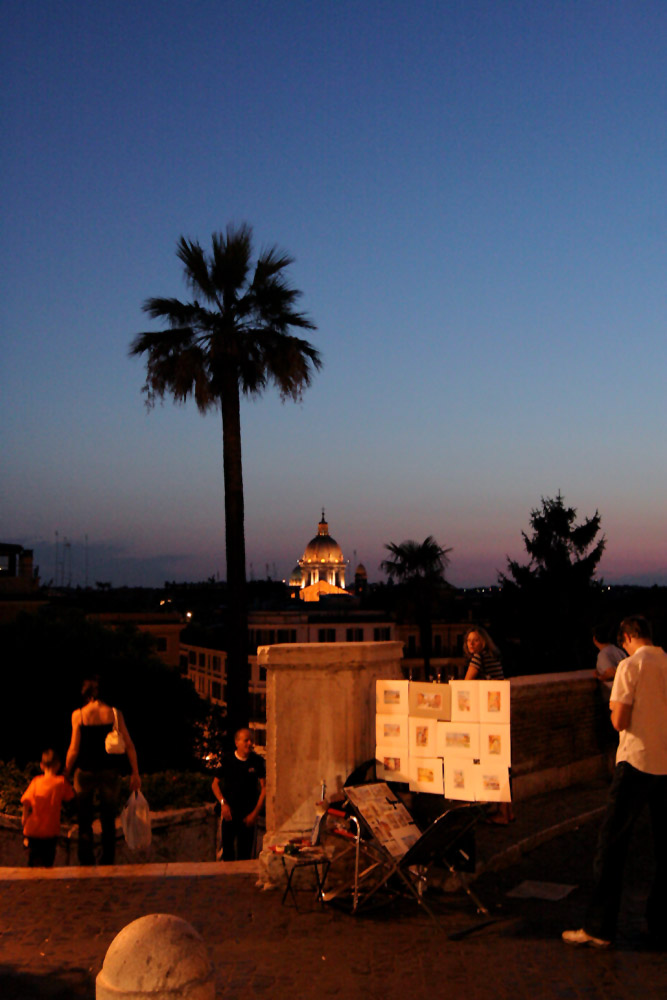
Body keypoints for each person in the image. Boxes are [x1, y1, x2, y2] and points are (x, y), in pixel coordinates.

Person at [563, 615, 667, 948]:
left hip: (637, 761)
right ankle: (661, 923)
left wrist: (612, 712)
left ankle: (599, 927)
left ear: (626, 638)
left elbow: (619, 721)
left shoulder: (630, 667)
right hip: (666, 763)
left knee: (611, 846)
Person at [65, 677, 141, 866]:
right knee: (108, 818)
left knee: (84, 818)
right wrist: (135, 772)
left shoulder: (79, 715)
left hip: (85, 772)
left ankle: (86, 859)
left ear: (86, 695)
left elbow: (74, 749)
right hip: (109, 772)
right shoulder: (115, 714)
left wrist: (66, 773)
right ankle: (108, 859)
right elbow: (129, 745)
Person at [463, 626, 514, 824]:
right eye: (469, 641)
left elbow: (466, 683)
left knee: (494, 764)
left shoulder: (478, 658)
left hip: (489, 716)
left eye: (475, 640)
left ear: (483, 642)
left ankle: (502, 813)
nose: (471, 644)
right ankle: (508, 811)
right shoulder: (493, 657)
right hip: (500, 712)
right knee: (502, 763)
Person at [212, 728, 266, 861]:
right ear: (237, 742)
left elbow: (265, 788)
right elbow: (214, 784)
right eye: (246, 740)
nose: (249, 744)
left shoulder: (257, 761)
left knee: (245, 854)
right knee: (227, 853)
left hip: (248, 815)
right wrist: (223, 804)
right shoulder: (227, 759)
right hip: (229, 814)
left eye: (251, 741)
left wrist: (255, 813)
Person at [21, 749, 75, 867]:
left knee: (33, 861)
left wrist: (24, 818)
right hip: (50, 831)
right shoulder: (60, 782)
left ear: (41, 765)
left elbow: (26, 801)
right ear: (58, 765)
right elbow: (70, 797)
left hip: (33, 830)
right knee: (47, 862)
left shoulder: (36, 781)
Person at [592, 625, 625, 697]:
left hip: (615, 694)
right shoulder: (618, 651)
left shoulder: (603, 654)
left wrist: (599, 677)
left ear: (594, 639)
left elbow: (612, 673)